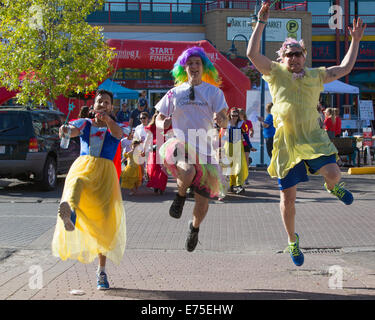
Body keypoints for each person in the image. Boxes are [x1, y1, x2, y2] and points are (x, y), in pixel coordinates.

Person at [247, 1, 365, 266]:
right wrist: (261, 22)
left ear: (305, 55)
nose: (294, 58)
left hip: (313, 138)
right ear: (282, 58)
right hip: (287, 143)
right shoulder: (275, 73)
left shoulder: (315, 75)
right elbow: (252, 54)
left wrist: (355, 40)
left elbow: (344, 68)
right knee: (288, 199)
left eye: (298, 53)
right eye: (289, 54)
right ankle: (292, 240)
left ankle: (332, 187)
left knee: (334, 173)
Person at [155, 46, 229, 252]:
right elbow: (158, 118)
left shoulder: (213, 92)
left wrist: (220, 118)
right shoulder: (174, 93)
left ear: (203, 67)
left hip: (205, 151)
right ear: (183, 68)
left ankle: (194, 228)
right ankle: (179, 197)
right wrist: (164, 123)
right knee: (187, 170)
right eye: (190, 63)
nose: (194, 66)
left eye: (197, 63)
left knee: (202, 204)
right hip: (180, 144)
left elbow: (224, 121)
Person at [52, 89, 126, 290]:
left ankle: (101, 272)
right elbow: (72, 130)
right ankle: (71, 215)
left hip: (105, 176)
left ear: (112, 107)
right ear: (93, 106)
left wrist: (108, 120)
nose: (102, 104)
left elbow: (118, 135)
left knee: (104, 223)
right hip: (84, 166)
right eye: (99, 102)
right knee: (76, 183)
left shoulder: (115, 126)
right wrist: (65, 130)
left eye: (106, 102)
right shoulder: (85, 123)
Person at [143, 111, 169, 195]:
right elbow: (147, 139)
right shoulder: (152, 127)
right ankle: (157, 186)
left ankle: (160, 186)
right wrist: (144, 149)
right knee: (157, 169)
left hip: (163, 150)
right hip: (155, 151)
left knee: (161, 169)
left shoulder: (166, 125)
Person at [227, 108, 249, 195]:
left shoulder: (241, 124)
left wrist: (250, 146)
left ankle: (239, 185)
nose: (235, 117)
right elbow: (221, 135)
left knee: (238, 166)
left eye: (236, 115)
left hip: (237, 145)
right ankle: (231, 184)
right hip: (228, 145)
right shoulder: (226, 123)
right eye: (233, 115)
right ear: (230, 115)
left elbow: (246, 136)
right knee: (229, 166)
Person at [238, 108, 257, 184]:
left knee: (246, 161)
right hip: (238, 144)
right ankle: (239, 177)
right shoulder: (237, 123)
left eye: (242, 114)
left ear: (244, 115)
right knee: (239, 161)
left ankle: (246, 177)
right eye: (239, 114)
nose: (240, 116)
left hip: (246, 144)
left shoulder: (248, 122)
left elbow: (252, 129)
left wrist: (252, 133)